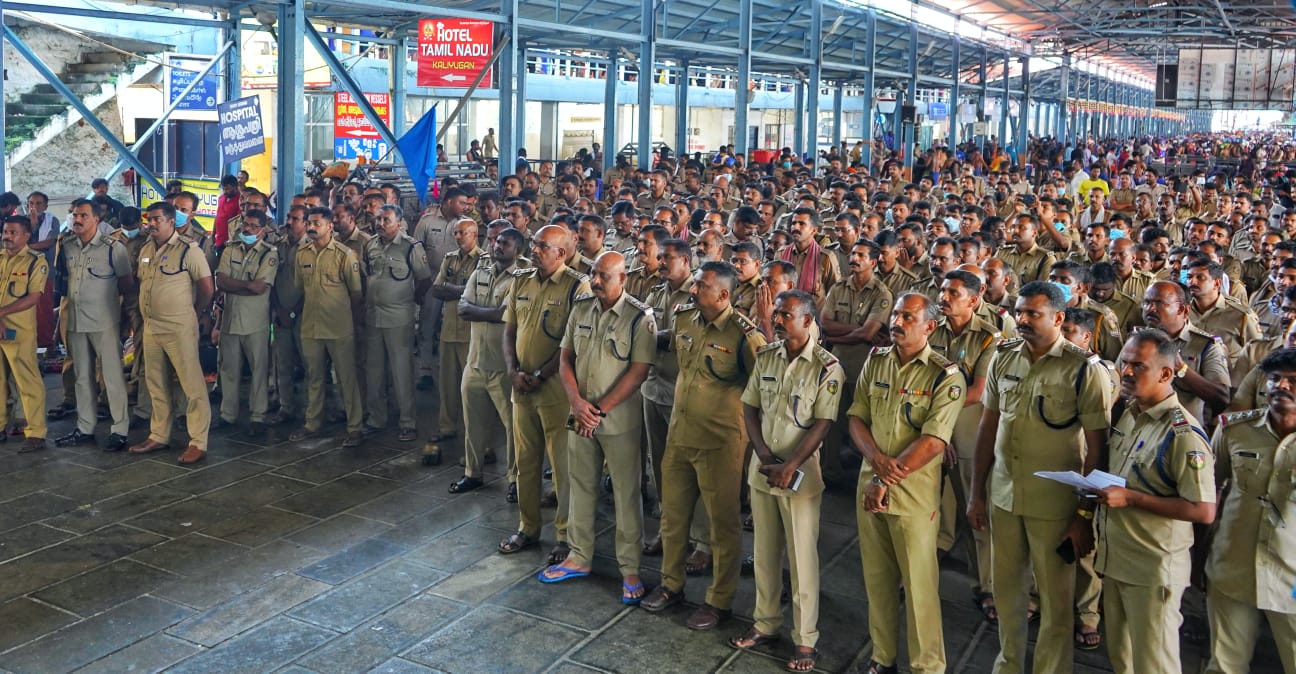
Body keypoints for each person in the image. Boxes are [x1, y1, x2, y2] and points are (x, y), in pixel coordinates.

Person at [968, 281, 1114, 674]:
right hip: (1005, 495)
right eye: (1020, 312)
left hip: (1054, 503)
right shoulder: (1004, 357)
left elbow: (1097, 452)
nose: (1023, 320)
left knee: (1055, 600)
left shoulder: (1084, 369)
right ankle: (1009, 664)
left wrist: (1083, 516)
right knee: (1008, 593)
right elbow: (988, 428)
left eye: (1034, 313)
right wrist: (976, 494)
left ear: (1059, 318)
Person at [640, 261, 765, 632]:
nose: (693, 290)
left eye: (701, 286)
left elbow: (762, 390)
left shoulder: (744, 335)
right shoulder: (684, 318)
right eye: (694, 284)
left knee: (722, 525)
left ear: (724, 295)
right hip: (680, 436)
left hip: (719, 442)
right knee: (673, 516)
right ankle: (671, 584)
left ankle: (719, 601)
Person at [849, 292, 965, 674]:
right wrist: (875, 463)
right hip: (870, 485)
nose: (897, 322)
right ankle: (882, 658)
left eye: (908, 317)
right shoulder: (877, 360)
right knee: (877, 580)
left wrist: (884, 476)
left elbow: (933, 441)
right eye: (896, 314)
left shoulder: (945, 375)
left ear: (930, 326)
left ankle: (927, 667)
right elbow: (856, 418)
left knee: (918, 587)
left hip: (912, 496)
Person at [729, 289, 842, 672]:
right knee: (764, 551)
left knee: (801, 557)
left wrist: (791, 464)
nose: (777, 320)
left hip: (799, 475)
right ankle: (765, 623)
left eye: (786, 315)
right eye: (776, 314)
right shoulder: (767, 356)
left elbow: (823, 423)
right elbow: (749, 405)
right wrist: (762, 455)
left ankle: (805, 639)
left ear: (808, 321)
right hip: (763, 468)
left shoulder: (827, 368)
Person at [1092, 329, 1216, 674]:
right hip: (1118, 559)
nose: (1127, 372)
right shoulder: (1130, 413)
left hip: (1152, 567)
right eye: (1124, 363)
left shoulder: (1183, 435)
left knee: (1154, 664)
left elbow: (1203, 509)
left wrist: (1132, 498)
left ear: (1165, 373)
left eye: (1138, 366)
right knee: (1123, 659)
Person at [538, 251, 655, 606]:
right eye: (593, 274)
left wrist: (599, 410)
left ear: (623, 279)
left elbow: (639, 371)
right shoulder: (582, 308)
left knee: (625, 493)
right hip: (579, 415)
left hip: (616, 421)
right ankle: (579, 555)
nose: (596, 281)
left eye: (604, 276)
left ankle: (630, 567)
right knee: (580, 485)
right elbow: (566, 358)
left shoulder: (639, 317)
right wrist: (576, 402)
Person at [497, 225, 591, 563]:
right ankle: (528, 526)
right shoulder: (522, 280)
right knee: (525, 462)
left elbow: (573, 343)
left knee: (563, 466)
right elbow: (510, 330)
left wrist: (540, 374)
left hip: (555, 391)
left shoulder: (576, 286)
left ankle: (565, 535)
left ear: (561, 254)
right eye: (535, 245)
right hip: (521, 389)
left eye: (542, 246)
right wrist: (512, 371)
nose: (534, 250)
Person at [1207, 347, 1296, 673]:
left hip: (1293, 578)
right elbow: (1208, 491)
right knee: (1225, 665)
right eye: (1274, 379)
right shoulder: (1235, 429)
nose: (1281, 387)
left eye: (1293, 381)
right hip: (1233, 566)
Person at [930, 269, 1002, 621]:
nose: (943, 297)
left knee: (976, 512)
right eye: (942, 291)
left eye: (952, 293)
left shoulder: (990, 338)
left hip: (966, 433)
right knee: (927, 506)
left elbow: (978, 391)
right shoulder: (932, 328)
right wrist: (933, 431)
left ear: (974, 301)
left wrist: (941, 425)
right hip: (928, 429)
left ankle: (985, 586)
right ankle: (919, 571)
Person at [127, 203, 215, 464]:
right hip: (151, 325)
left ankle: (198, 441)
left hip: (179, 326)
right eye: (149, 219)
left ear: (170, 221)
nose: (151, 224)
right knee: (155, 382)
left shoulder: (189, 250)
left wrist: (195, 313)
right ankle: (159, 434)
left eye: (156, 219)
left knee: (192, 384)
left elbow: (207, 288)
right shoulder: (145, 249)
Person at [53, 200, 133, 452]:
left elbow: (127, 286)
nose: (77, 219)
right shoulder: (66, 246)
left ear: (96, 219)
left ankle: (120, 430)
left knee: (111, 377)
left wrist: (126, 321)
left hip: (104, 321)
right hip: (76, 321)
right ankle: (85, 427)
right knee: (82, 377)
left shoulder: (113, 248)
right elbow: (64, 287)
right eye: (74, 214)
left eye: (83, 215)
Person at [454, 225, 526, 498]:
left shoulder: (521, 278)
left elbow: (504, 315)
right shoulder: (481, 271)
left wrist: (480, 311)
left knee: (512, 427)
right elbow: (462, 308)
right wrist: (489, 312)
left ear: (517, 250)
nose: (497, 246)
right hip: (474, 361)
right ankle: (473, 472)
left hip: (502, 365)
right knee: (472, 422)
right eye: (496, 242)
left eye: (505, 243)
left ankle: (515, 479)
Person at [288, 207, 365, 448]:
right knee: (315, 376)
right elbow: (300, 289)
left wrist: (351, 320)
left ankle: (355, 427)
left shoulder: (344, 254)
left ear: (330, 226)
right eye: (309, 223)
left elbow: (355, 293)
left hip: (339, 326)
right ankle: (312, 423)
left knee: (346, 378)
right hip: (311, 325)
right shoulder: (302, 253)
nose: (311, 227)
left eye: (317, 223)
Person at [362, 204, 432, 442]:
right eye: (378, 219)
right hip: (373, 316)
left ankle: (407, 422)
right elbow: (366, 276)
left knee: (402, 371)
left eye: (386, 220)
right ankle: (376, 418)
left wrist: (408, 300)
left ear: (399, 223)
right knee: (374, 371)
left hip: (399, 317)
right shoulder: (370, 244)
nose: (380, 224)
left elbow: (423, 280)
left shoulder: (410, 246)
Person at [212, 209, 278, 437]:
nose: (246, 229)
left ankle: (258, 415)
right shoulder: (230, 249)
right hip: (231, 319)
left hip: (256, 321)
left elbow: (260, 287)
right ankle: (227, 414)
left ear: (262, 230)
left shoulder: (269, 254)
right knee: (228, 369)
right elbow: (220, 281)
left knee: (259, 369)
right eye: (245, 225)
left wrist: (236, 284)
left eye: (252, 226)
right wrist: (246, 285)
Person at [423, 218, 484, 463]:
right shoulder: (450, 258)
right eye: (456, 233)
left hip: (471, 332)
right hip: (449, 328)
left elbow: (478, 292)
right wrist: (461, 290)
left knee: (473, 388)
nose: (458, 237)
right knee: (447, 383)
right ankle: (447, 425)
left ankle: (478, 434)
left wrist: (455, 290)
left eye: (463, 233)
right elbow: (436, 289)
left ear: (475, 234)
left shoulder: (484, 260)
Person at [270, 205, 308, 426]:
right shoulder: (278, 246)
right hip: (281, 313)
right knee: (282, 362)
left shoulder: (311, 248)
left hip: (303, 314)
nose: (290, 222)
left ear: (305, 222)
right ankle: (286, 407)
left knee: (309, 364)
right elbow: (272, 280)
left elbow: (311, 287)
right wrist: (279, 309)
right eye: (289, 217)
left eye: (295, 218)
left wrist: (294, 311)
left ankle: (311, 409)